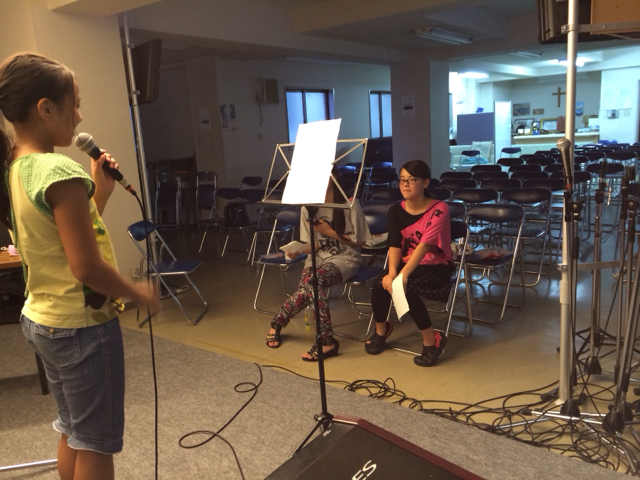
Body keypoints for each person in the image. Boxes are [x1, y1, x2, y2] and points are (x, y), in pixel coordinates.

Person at [0, 53, 158, 480]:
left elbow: (60, 237)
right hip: (81, 327)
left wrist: (99, 193)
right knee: (96, 444)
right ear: (45, 109)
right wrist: (136, 291)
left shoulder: (16, 167)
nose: (80, 116)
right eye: (76, 104)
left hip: (43, 319)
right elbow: (86, 266)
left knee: (73, 430)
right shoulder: (58, 170)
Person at [265, 173, 370, 361]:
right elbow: (312, 245)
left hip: (345, 258)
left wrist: (329, 231)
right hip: (317, 259)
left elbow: (360, 241)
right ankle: (279, 322)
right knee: (307, 290)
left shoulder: (350, 204)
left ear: (334, 176)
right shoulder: (308, 208)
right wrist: (298, 250)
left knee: (314, 282)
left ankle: (322, 340)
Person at [364, 159, 453, 367]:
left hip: (436, 264)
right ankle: (381, 330)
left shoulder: (439, 209)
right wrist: (392, 272)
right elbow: (394, 244)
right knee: (380, 283)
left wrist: (402, 276)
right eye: (402, 180)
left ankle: (432, 340)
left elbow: (424, 245)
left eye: (412, 180)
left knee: (403, 287)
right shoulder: (395, 210)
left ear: (425, 182)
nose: (405, 184)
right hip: (407, 262)